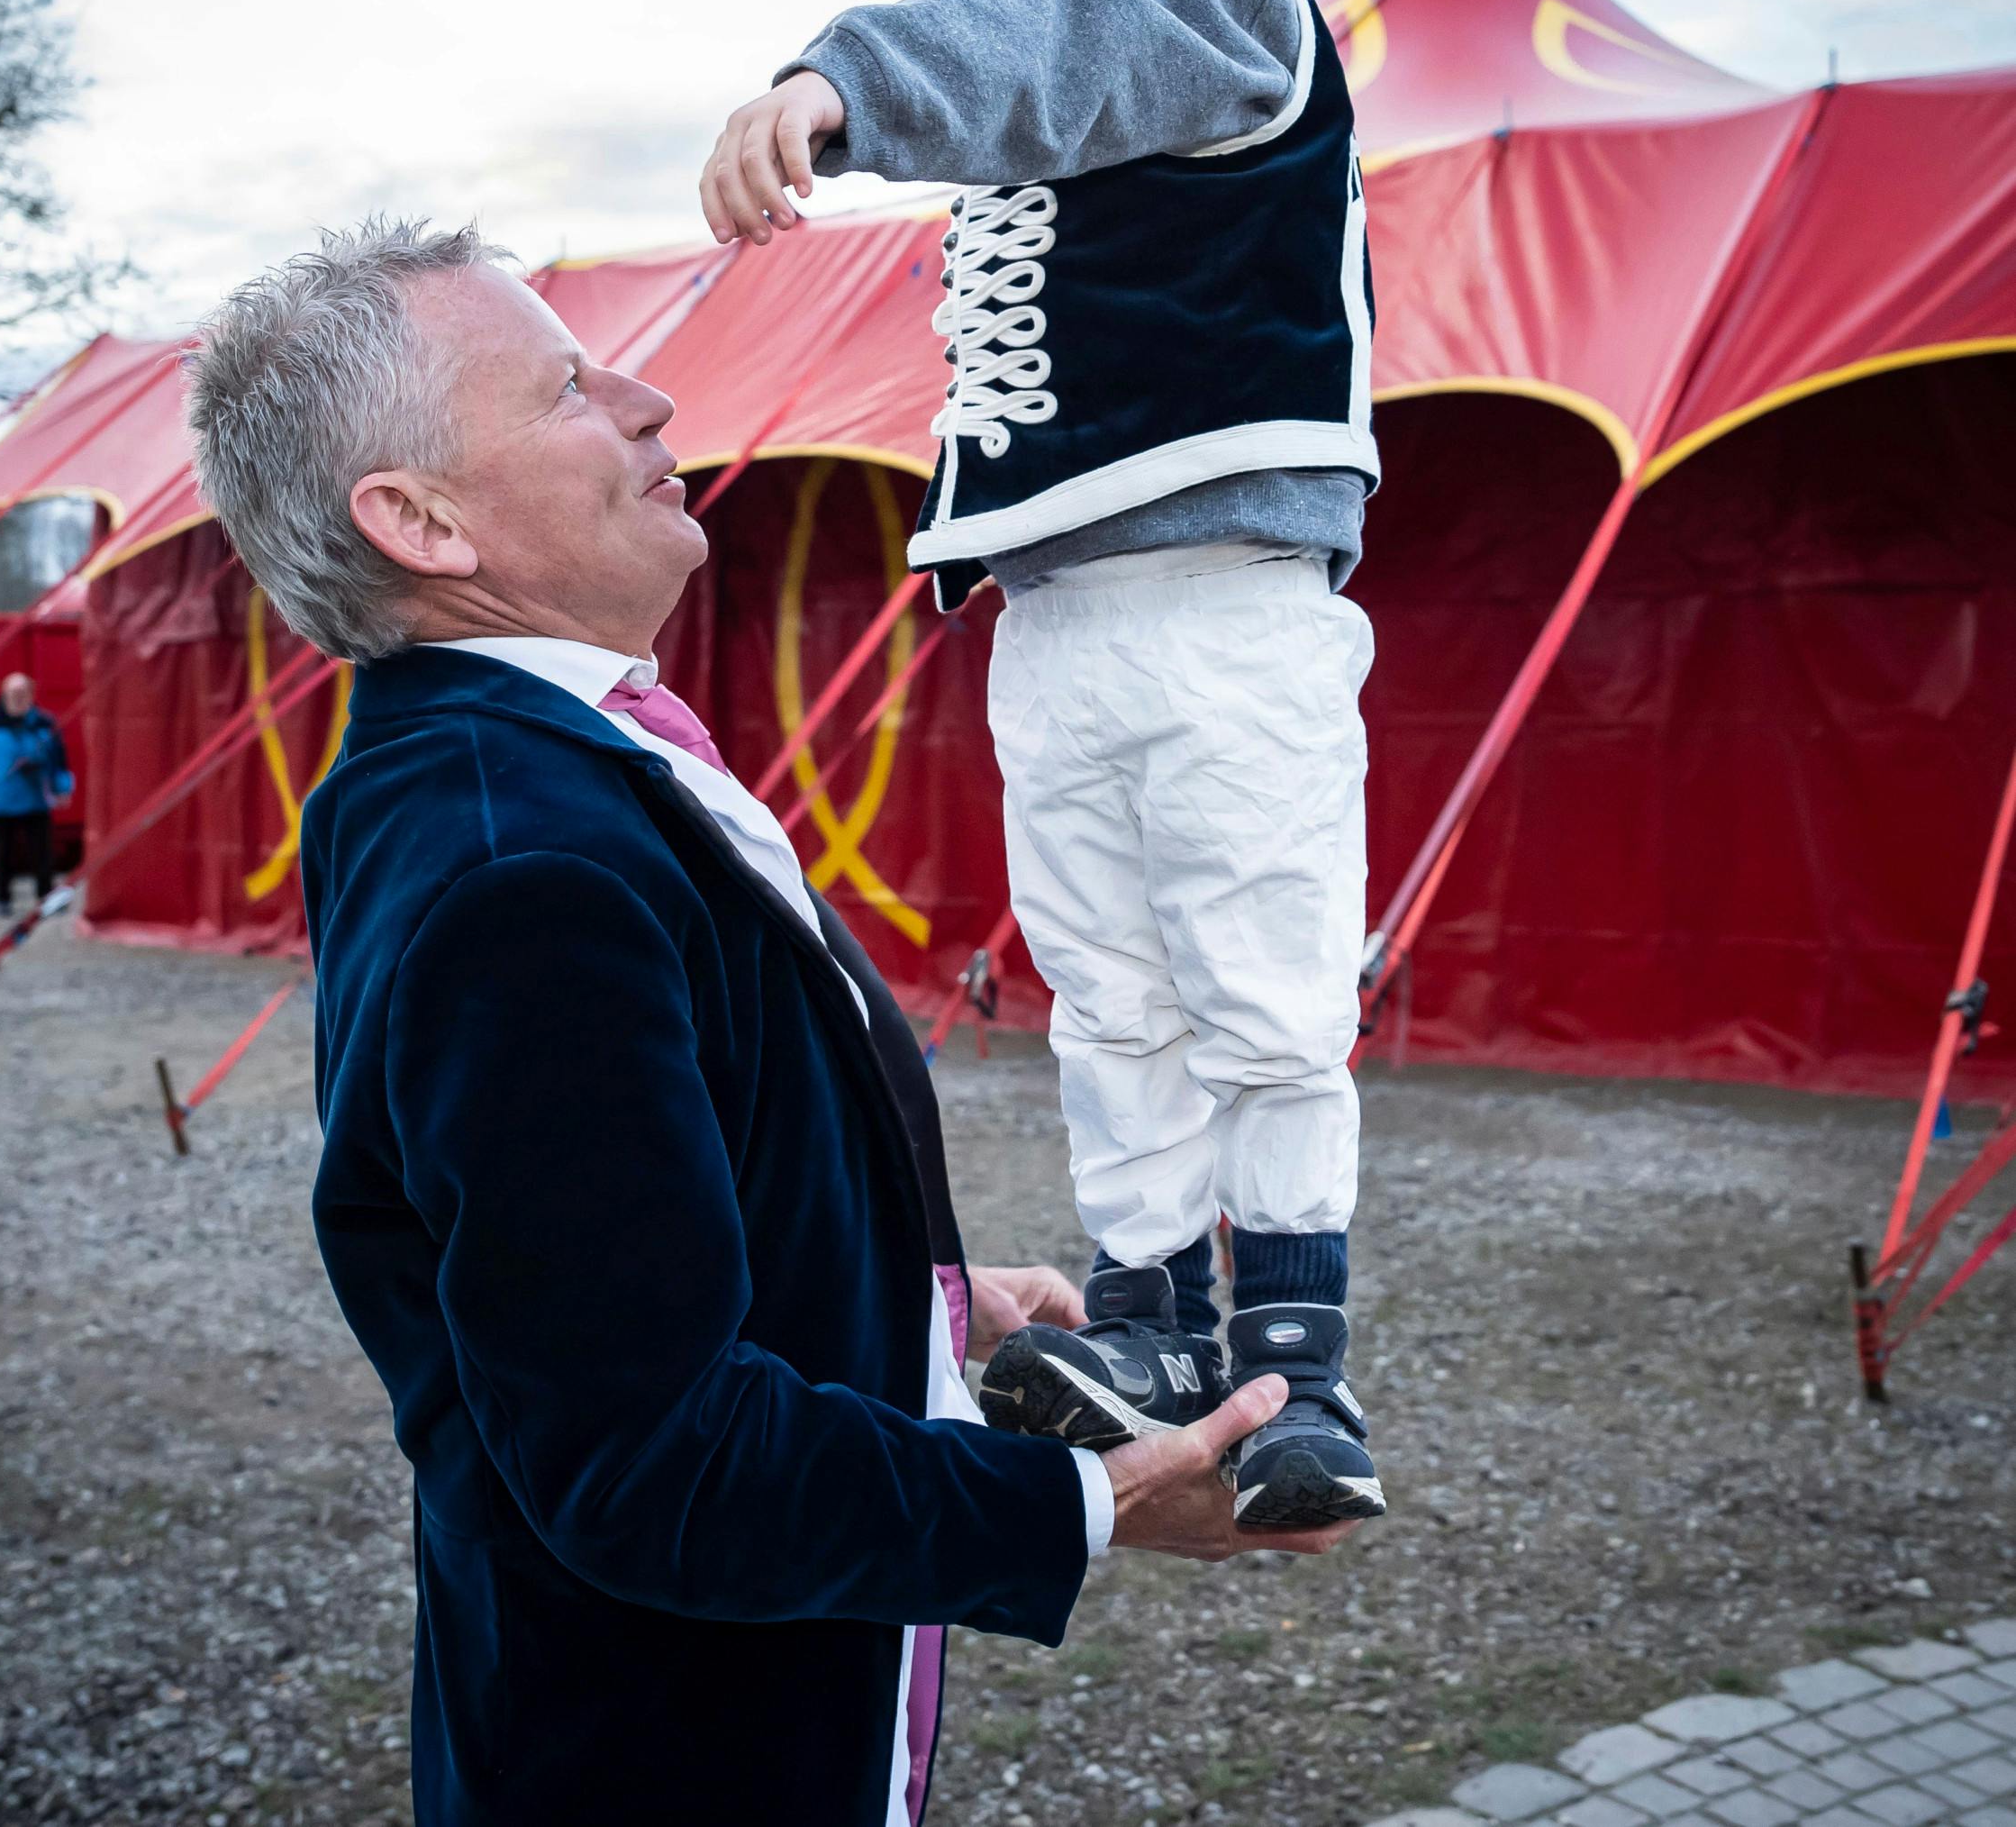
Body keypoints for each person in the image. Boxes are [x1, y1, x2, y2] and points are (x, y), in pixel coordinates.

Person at [185, 221, 1350, 1827]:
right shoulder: (519, 861)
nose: (654, 400)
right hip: (663, 1759)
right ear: (421, 521)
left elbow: (640, 1235)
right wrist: (1087, 1500)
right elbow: (647, 1461)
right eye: (567, 392)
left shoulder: (525, 766)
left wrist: (917, 1310)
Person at [698, 0, 1384, 1533]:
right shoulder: (1067, 81)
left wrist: (850, 71)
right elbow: (1044, 49)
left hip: (1225, 596)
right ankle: (1151, 1322)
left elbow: (1066, 26)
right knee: (1107, 996)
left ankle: (1297, 1366)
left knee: (1260, 994)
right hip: (1058, 611)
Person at [0, 670, 73, 914]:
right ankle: (3, 899)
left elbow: (59, 760)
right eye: (14, 693)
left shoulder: (44, 724)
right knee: (4, 854)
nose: (18, 698)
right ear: (4, 695)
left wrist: (62, 788)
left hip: (35, 800)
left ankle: (46, 896)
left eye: (23, 693)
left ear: (31, 695)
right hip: (0, 801)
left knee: (42, 853)